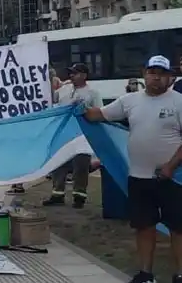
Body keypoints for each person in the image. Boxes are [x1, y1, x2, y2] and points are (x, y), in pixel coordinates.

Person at [82, 55, 182, 283]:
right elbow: (99, 114)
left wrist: (170, 166)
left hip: (173, 179)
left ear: (169, 77)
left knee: (178, 228)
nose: (156, 77)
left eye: (162, 73)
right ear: (144, 73)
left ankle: (180, 274)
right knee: (144, 226)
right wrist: (78, 109)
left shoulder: (178, 102)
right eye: (152, 72)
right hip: (139, 178)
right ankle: (146, 274)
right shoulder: (129, 100)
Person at [43, 63, 102, 208]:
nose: (71, 76)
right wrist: (48, 81)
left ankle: (79, 196)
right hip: (64, 134)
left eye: (75, 73)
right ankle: (57, 194)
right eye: (71, 73)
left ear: (84, 75)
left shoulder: (92, 93)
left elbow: (99, 112)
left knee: (80, 167)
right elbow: (50, 99)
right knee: (59, 164)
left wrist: (84, 109)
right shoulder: (65, 89)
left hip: (82, 135)